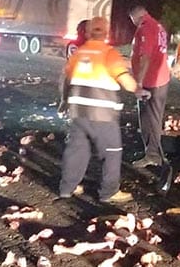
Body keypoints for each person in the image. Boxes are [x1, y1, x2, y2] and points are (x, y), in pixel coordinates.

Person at [57, 17, 141, 203]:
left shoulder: (78, 54)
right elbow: (125, 80)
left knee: (77, 150)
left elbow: (66, 81)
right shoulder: (109, 53)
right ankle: (108, 193)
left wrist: (64, 101)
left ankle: (67, 189)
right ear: (106, 33)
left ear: (87, 33)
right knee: (111, 152)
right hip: (102, 115)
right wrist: (139, 90)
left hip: (78, 112)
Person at [129, 6, 170, 168]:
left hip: (151, 81)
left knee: (149, 119)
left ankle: (153, 155)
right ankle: (153, 152)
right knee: (154, 118)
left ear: (137, 17)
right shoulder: (158, 26)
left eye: (133, 21)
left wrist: (139, 82)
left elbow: (145, 56)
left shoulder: (146, 28)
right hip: (161, 78)